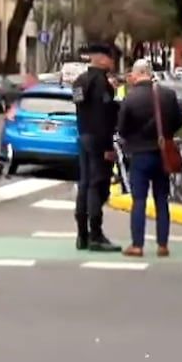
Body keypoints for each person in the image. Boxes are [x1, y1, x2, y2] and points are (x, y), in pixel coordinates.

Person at [116, 58, 182, 257]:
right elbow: (178, 121)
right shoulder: (168, 95)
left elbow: (122, 128)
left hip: (139, 154)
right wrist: (165, 135)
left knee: (139, 200)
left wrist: (133, 139)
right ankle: (163, 245)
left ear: (137, 74)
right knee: (162, 199)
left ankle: (137, 245)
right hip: (162, 153)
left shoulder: (130, 98)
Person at [72, 42, 122, 252]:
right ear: (102, 58)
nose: (113, 63)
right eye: (111, 58)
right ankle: (96, 235)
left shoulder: (79, 81)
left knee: (84, 185)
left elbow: (80, 107)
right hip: (98, 139)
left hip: (83, 135)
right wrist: (108, 146)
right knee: (97, 185)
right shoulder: (102, 84)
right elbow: (104, 116)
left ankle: (82, 235)